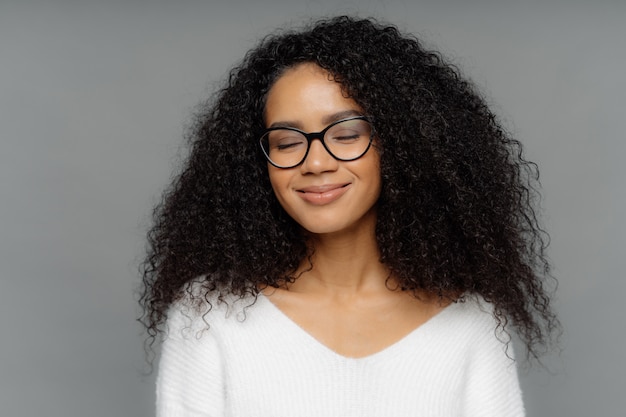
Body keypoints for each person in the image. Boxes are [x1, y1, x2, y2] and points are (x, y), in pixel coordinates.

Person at [139, 16, 558, 416]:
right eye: (287, 142)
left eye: (346, 135)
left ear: (401, 145)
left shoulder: (471, 322)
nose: (315, 162)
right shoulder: (209, 315)